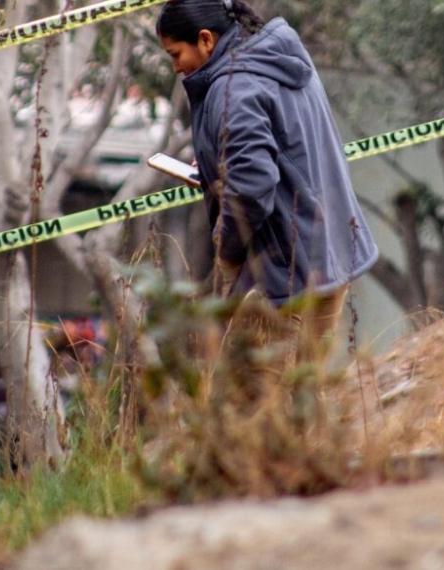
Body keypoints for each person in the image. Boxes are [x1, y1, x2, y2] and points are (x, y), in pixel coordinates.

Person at [154, 0, 379, 377]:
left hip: (285, 278)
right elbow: (282, 151)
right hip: (328, 257)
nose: (176, 67)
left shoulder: (235, 88)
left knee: (254, 413)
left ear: (206, 40)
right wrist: (214, 164)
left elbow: (250, 189)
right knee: (304, 401)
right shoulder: (277, 58)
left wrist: (226, 250)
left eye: (176, 54)